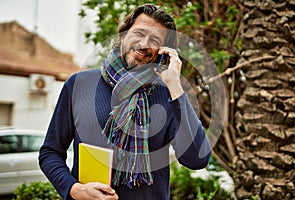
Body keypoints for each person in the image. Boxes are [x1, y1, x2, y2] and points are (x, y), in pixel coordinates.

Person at [39, 4, 211, 200]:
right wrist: (74, 189)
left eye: (154, 40)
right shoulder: (79, 84)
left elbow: (197, 159)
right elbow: (50, 153)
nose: (144, 44)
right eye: (139, 33)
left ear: (163, 51)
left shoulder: (167, 94)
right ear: (123, 34)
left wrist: (174, 85)